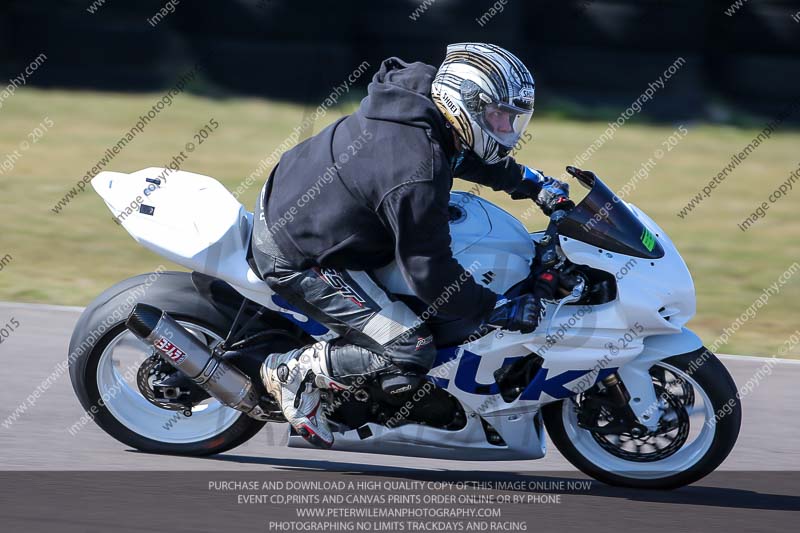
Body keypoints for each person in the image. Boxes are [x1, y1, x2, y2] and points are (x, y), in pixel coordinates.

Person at [251, 43, 571, 448]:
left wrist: (532, 183)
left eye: (512, 119)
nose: (506, 129)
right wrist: (494, 308)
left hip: (305, 201)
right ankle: (291, 371)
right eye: (497, 116)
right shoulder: (414, 170)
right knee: (411, 346)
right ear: (464, 103)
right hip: (299, 253)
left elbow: (461, 154)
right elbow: (428, 269)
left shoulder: (421, 100)